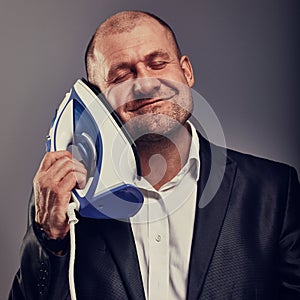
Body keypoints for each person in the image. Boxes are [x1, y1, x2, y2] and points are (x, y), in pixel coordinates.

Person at [9, 10, 300, 300]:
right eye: (121, 76)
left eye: (158, 64)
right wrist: (49, 237)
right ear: (97, 102)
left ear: (186, 72)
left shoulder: (274, 190)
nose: (145, 84)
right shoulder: (64, 200)